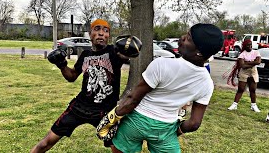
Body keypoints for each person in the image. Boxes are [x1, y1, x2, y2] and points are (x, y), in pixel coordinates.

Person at [96, 23, 224, 152]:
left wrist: (110, 120)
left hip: (135, 122)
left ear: (200, 53)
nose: (182, 37)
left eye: (188, 38)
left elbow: (132, 99)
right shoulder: (207, 83)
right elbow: (194, 123)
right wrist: (175, 132)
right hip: (165, 128)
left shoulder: (162, 64)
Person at [31, 19, 132, 152]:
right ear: (90, 34)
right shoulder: (85, 55)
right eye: (97, 29)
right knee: (46, 143)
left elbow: (125, 55)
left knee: (118, 149)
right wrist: (62, 65)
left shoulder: (113, 52)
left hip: (105, 111)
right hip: (79, 107)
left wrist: (130, 47)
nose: (101, 33)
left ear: (108, 36)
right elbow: (72, 76)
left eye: (105, 31)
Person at [227, 39, 261, 112]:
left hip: (253, 72)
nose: (250, 46)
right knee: (241, 89)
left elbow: (258, 62)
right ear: (244, 46)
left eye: (250, 44)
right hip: (244, 72)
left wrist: (247, 62)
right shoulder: (242, 54)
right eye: (248, 45)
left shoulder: (256, 52)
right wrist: (253, 62)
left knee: (253, 89)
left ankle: (253, 105)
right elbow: (242, 65)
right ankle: (234, 104)